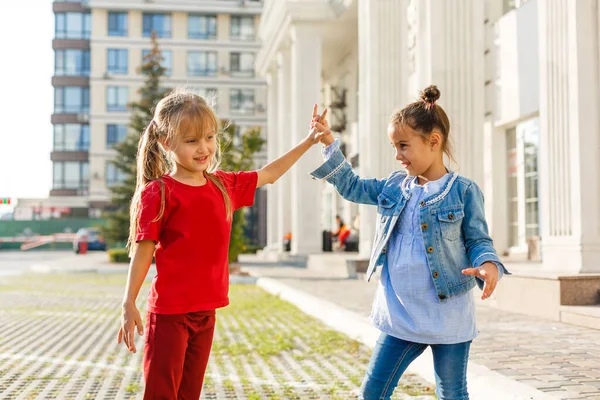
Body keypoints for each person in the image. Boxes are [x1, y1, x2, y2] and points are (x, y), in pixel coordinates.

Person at [117, 89, 328, 399]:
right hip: (170, 315)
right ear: (166, 143)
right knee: (162, 394)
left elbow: (269, 173)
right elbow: (143, 251)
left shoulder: (224, 185)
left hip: (206, 312)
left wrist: (310, 140)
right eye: (192, 141)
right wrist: (128, 302)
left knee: (190, 394)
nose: (204, 148)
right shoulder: (158, 193)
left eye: (210, 138)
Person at [309, 85, 510, 400]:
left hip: (448, 316)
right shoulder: (393, 186)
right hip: (399, 316)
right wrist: (329, 143)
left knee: (452, 393)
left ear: (434, 141)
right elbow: (351, 187)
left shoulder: (463, 191)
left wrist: (487, 264)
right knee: (373, 393)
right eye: (394, 146)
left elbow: (478, 239)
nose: (397, 155)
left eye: (403, 146)